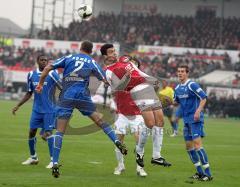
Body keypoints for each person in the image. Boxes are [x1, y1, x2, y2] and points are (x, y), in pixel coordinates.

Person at [36, 41, 127, 178]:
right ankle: (117, 141)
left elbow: (49, 67)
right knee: (100, 121)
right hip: (82, 96)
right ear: (90, 51)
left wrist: (41, 83)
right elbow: (105, 80)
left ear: (80, 48)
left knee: (60, 132)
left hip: (67, 96)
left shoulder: (69, 58)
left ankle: (55, 162)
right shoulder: (92, 62)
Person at [100, 44, 171, 168]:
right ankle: (139, 152)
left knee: (160, 120)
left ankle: (157, 156)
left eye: (114, 51)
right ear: (105, 56)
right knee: (150, 123)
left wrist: (150, 79)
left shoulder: (124, 59)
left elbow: (137, 71)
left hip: (146, 86)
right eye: (111, 52)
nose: (115, 53)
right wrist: (126, 78)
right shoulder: (108, 72)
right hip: (137, 91)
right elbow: (118, 88)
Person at [12, 54, 61, 169]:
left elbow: (62, 88)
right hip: (36, 110)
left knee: (48, 134)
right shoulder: (31, 74)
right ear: (37, 61)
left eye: (46, 60)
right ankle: (33, 157)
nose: (44, 62)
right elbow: (29, 92)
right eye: (42, 60)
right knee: (31, 132)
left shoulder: (52, 74)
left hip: (49, 110)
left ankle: (53, 160)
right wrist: (18, 105)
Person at [174, 64, 213, 181]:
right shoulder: (177, 88)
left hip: (196, 120)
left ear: (187, 73)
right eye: (178, 71)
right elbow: (176, 102)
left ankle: (208, 174)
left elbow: (204, 97)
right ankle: (200, 172)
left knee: (197, 145)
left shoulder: (192, 85)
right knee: (188, 147)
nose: (180, 73)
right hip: (186, 121)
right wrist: (173, 110)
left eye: (182, 71)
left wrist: (198, 111)